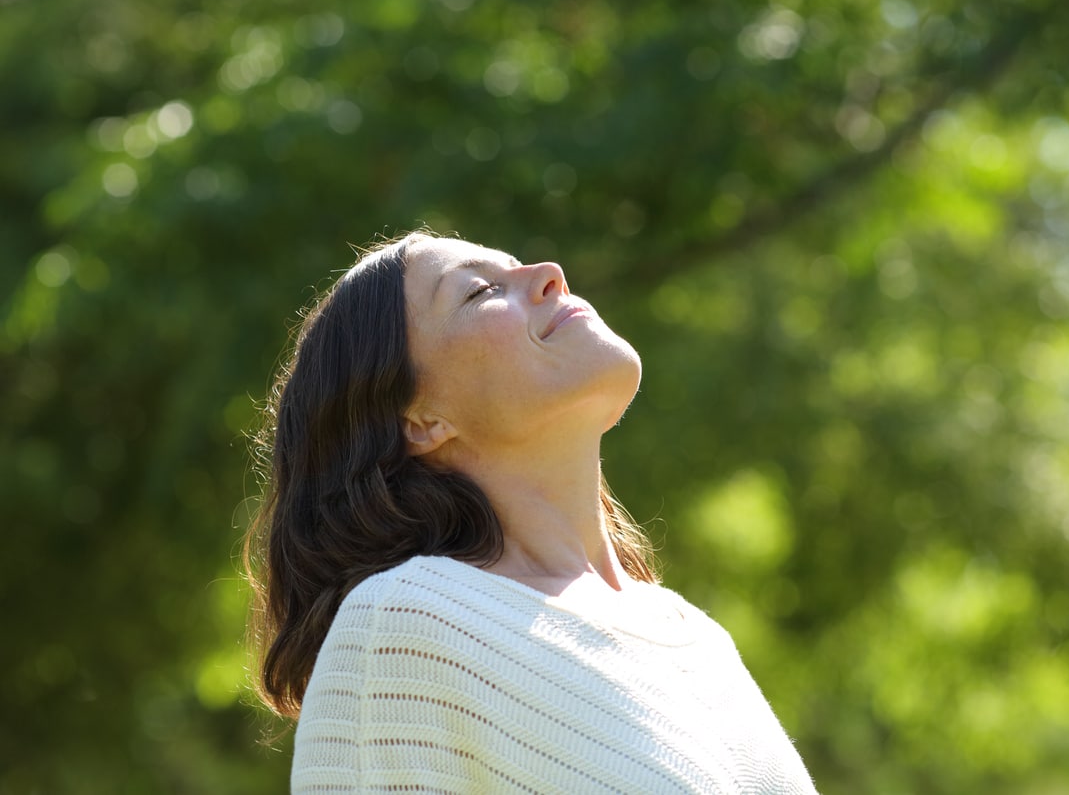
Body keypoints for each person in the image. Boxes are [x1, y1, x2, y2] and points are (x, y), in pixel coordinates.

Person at [244, 231, 817, 793]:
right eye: (480, 292)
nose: (548, 273)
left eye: (516, 264)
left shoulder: (698, 637)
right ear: (419, 419)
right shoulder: (405, 626)